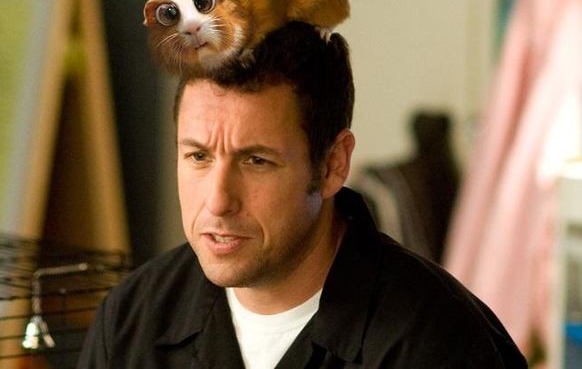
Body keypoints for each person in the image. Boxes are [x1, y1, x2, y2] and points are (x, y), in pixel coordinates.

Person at [77, 22, 527, 368]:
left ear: (332, 165)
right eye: (198, 157)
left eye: (256, 161)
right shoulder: (132, 320)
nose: (217, 201)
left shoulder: (436, 343)